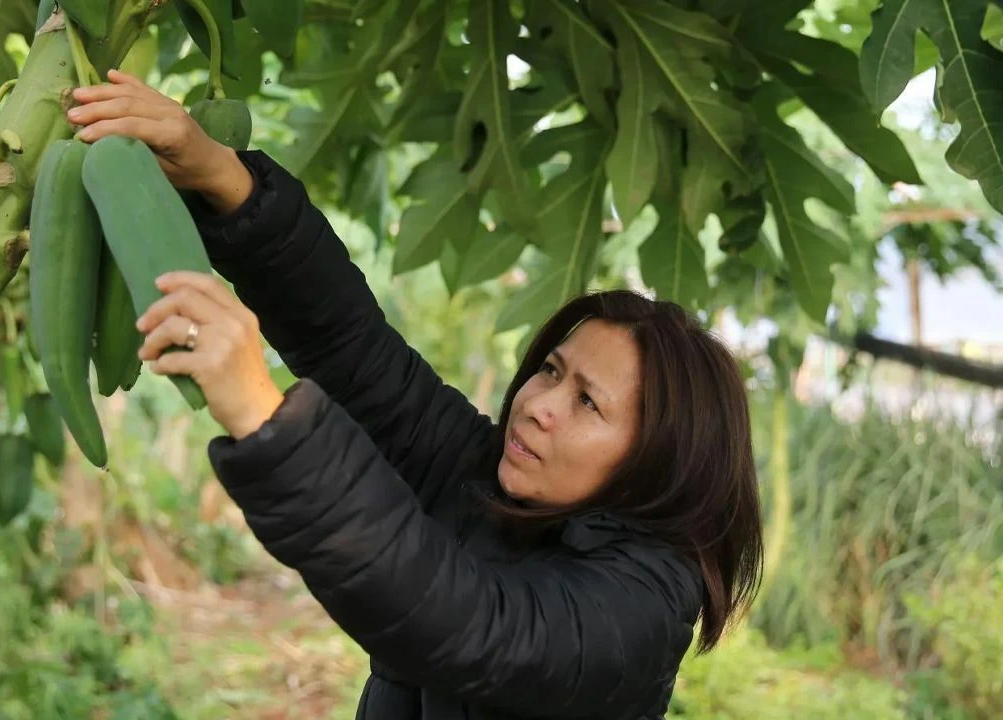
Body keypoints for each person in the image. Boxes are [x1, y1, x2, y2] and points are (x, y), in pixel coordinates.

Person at [67, 69, 765, 720]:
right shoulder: (492, 486)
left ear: (658, 459)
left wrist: (261, 409)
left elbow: (471, 629)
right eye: (551, 370)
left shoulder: (638, 614)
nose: (537, 404)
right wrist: (225, 177)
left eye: (588, 402)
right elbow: (356, 354)